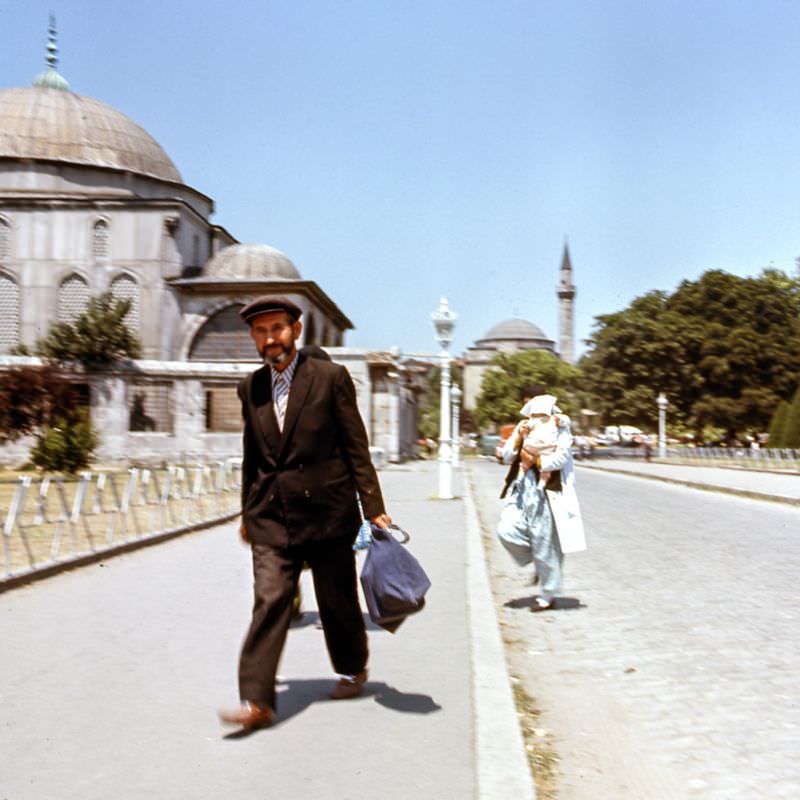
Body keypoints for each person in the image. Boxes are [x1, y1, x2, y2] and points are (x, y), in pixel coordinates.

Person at [219, 296, 392, 730]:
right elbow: (253, 457)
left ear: (296, 330)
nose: (270, 338)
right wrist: (247, 512)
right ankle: (257, 700)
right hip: (271, 515)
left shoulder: (329, 378)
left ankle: (352, 668)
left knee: (337, 600)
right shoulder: (251, 387)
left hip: (327, 513)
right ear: (252, 337)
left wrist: (374, 507)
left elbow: (355, 446)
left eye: (277, 328)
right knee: (270, 600)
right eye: (261, 331)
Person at [496, 390, 585, 611]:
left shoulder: (560, 426)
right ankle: (540, 561)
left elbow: (561, 457)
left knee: (545, 542)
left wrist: (535, 461)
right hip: (521, 490)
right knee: (506, 530)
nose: (534, 415)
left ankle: (548, 594)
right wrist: (518, 439)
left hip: (547, 492)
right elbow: (507, 456)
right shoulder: (522, 426)